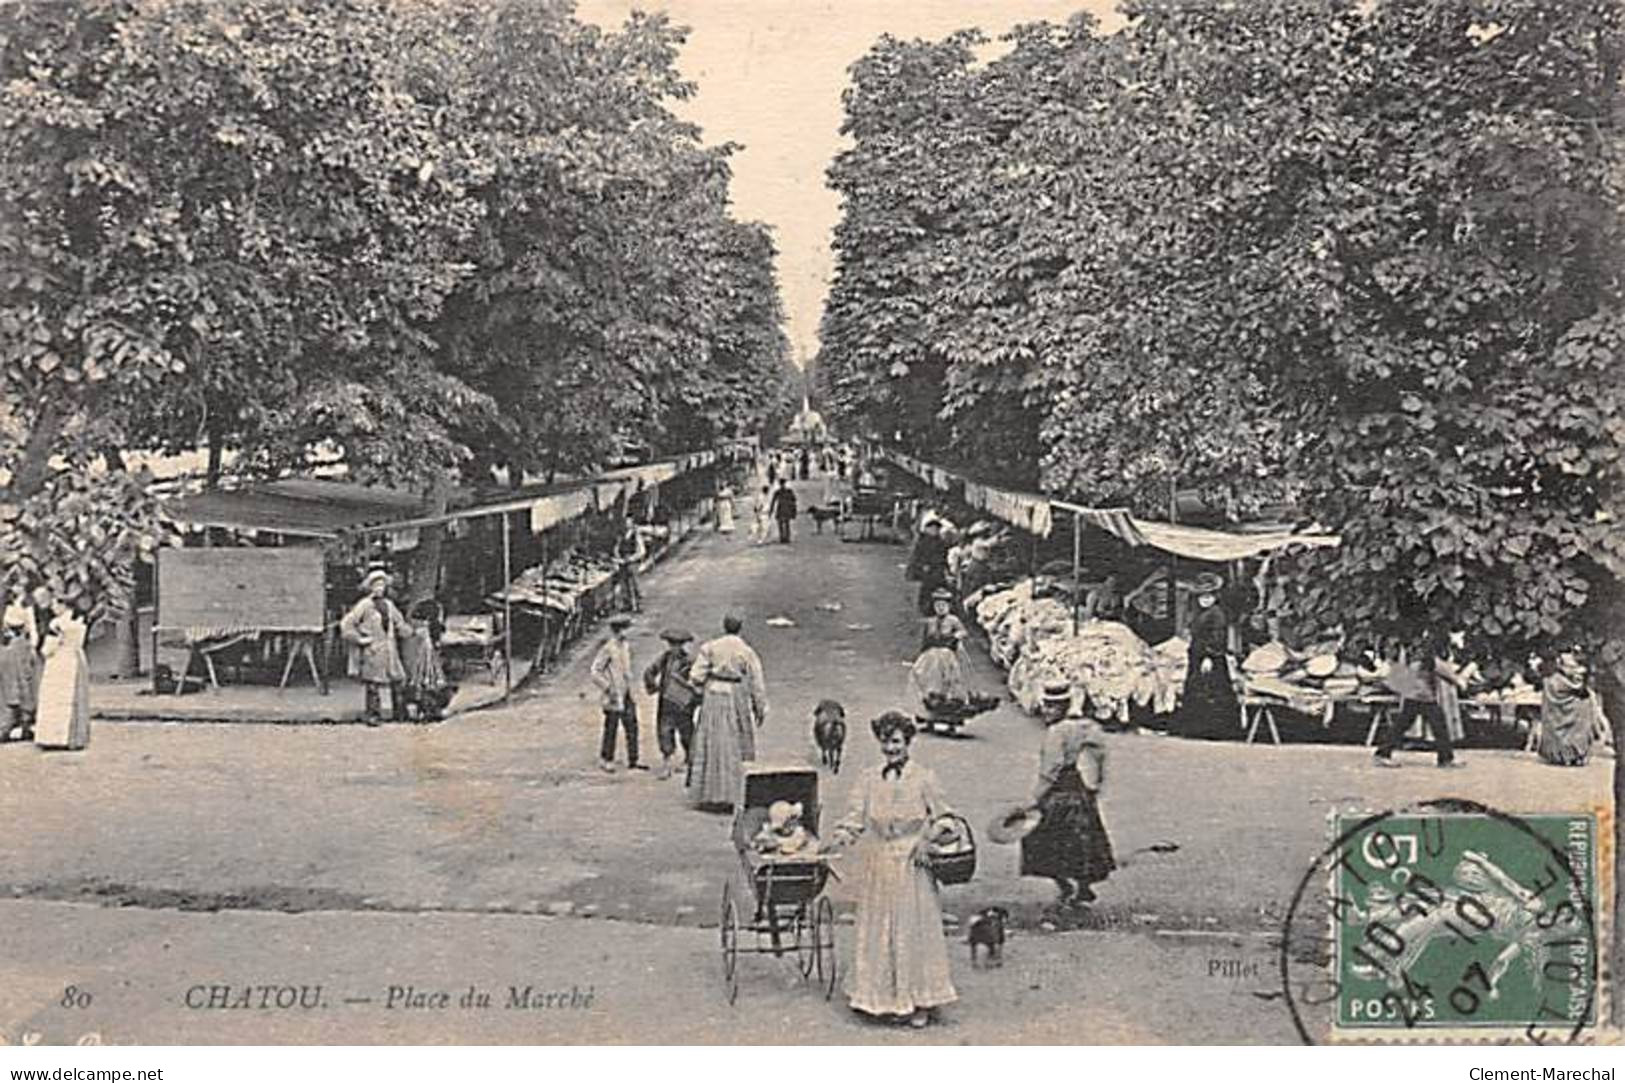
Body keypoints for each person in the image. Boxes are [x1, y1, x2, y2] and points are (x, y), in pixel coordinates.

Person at [825, 711, 958, 1028]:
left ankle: (918, 1000)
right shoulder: (869, 778)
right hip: (880, 863)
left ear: (908, 743)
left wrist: (927, 839)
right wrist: (840, 838)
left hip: (912, 865)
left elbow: (946, 820)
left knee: (911, 930)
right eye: (885, 743)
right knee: (880, 928)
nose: (891, 750)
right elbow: (856, 817)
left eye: (896, 743)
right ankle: (878, 997)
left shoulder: (924, 778)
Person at [1021, 691, 1116, 910]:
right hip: (1078, 786)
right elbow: (1099, 752)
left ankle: (1065, 885)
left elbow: (1051, 768)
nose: (1046, 711)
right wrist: (1096, 781)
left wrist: (1036, 796)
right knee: (1083, 840)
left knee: (1043, 838)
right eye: (1046, 706)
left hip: (1059, 790)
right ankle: (1082, 886)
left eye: (1050, 707)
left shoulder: (1056, 732)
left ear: (1061, 707)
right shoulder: (1083, 727)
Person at [686, 614, 768, 808]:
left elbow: (696, 676)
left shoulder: (710, 647)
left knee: (711, 742)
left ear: (724, 627)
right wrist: (760, 708)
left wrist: (701, 689)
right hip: (736, 696)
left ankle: (707, 793)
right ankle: (733, 794)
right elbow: (757, 684)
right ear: (740, 628)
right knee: (735, 742)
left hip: (713, 696)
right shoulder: (746, 651)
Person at [1374, 631, 1461, 769]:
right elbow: (1447, 674)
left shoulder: (1418, 657)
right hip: (1423, 697)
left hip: (1414, 695)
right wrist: (1460, 683)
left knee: (1402, 725)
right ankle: (1445, 759)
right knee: (1438, 726)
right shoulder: (1430, 659)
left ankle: (1382, 753)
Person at [340, 569, 413, 725]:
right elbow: (347, 624)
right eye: (376, 585)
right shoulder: (365, 605)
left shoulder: (389, 605)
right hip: (373, 650)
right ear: (370, 587)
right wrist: (360, 640)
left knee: (398, 680)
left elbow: (400, 623)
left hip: (390, 648)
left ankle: (399, 713)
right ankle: (373, 715)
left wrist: (412, 631)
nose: (379, 588)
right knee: (373, 683)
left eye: (382, 585)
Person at [1170, 578, 1236, 740]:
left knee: (1210, 691)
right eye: (1202, 597)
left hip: (1210, 657)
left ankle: (1212, 730)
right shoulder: (1202, 613)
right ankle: (1197, 729)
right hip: (1198, 656)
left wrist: (1210, 656)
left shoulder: (1217, 614)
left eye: (1209, 596)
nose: (1205, 600)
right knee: (1199, 690)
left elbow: (1218, 638)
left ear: (1215, 597)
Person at [34, 597, 90, 751]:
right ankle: (72, 736)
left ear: (63, 605)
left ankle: (53, 737)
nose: (52, 608)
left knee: (54, 696)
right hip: (75, 659)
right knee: (70, 697)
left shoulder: (56, 624)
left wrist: (44, 651)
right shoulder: (79, 622)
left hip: (58, 661)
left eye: (54, 604)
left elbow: (48, 648)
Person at [644, 627, 700, 780]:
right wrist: (653, 686)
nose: (675, 647)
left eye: (678, 644)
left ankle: (689, 759)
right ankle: (667, 763)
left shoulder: (689, 661)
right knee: (665, 731)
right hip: (667, 701)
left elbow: (696, 681)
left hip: (683, 703)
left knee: (686, 731)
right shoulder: (664, 658)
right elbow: (649, 671)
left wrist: (692, 694)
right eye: (672, 644)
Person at [591, 615, 644, 772]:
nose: (625, 633)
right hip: (613, 693)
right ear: (617, 630)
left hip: (626, 691)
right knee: (611, 727)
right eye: (623, 630)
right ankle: (606, 758)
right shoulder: (608, 648)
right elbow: (595, 671)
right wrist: (607, 687)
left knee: (632, 726)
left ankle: (633, 760)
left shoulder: (625, 646)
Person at [1537, 651, 1604, 767]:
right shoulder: (1558, 680)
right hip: (1565, 712)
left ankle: (1562, 755)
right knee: (1583, 712)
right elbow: (1579, 690)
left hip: (1555, 714)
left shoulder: (1550, 680)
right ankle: (1572, 754)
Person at [909, 588, 968, 714]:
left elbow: (963, 632)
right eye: (938, 606)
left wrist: (957, 636)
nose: (941, 608)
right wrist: (920, 654)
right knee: (922, 672)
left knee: (947, 676)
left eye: (943, 605)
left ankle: (948, 702)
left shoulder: (953, 620)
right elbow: (925, 640)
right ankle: (930, 700)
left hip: (946, 653)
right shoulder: (930, 622)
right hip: (932, 653)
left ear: (949, 606)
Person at [0, 610, 39, 742]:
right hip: (21, 681)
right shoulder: (24, 646)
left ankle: (8, 729)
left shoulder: (8, 649)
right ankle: (23, 727)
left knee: (11, 704)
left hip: (13, 683)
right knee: (24, 703)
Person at [905, 519, 950, 616]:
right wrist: (922, 565)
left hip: (938, 567)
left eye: (937, 528)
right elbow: (917, 556)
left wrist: (945, 567)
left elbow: (944, 555)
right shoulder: (922, 541)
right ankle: (925, 607)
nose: (935, 530)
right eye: (932, 528)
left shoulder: (941, 542)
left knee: (940, 587)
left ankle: (938, 607)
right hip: (927, 568)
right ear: (927, 529)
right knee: (927, 588)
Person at [614, 520, 645, 613]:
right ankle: (627, 604)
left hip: (632, 562)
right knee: (624, 584)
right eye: (625, 523)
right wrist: (618, 556)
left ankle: (637, 605)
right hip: (623, 562)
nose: (627, 525)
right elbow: (616, 547)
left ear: (632, 524)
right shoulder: (622, 535)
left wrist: (633, 558)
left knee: (634, 584)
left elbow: (642, 550)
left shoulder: (636, 535)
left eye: (628, 523)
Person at [769, 479, 798, 544]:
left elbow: (773, 502)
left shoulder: (779, 492)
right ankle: (785, 537)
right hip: (784, 509)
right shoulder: (787, 491)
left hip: (782, 509)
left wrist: (771, 511)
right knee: (784, 524)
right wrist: (794, 510)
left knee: (783, 524)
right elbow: (794, 501)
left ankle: (784, 537)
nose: (782, 485)